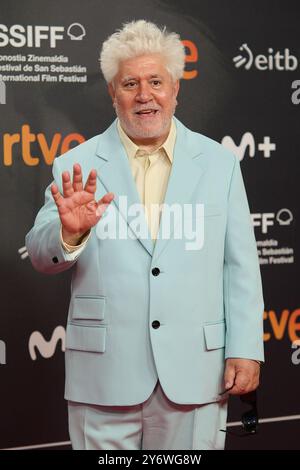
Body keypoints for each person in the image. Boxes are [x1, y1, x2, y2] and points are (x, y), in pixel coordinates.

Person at [26, 20, 264, 450]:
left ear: (175, 87)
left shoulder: (219, 163)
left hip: (195, 373)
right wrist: (68, 232)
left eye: (156, 81)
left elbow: (241, 265)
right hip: (103, 378)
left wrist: (246, 348)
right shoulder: (75, 165)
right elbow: (42, 255)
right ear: (112, 93)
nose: (144, 95)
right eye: (130, 83)